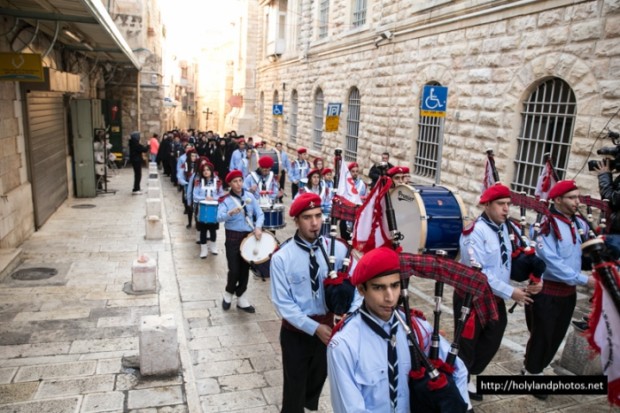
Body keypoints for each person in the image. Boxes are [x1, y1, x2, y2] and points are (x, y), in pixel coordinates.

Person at [327, 246, 470, 413]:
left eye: (394, 286)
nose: (389, 297)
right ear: (361, 289)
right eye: (378, 287)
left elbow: (459, 370)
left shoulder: (417, 328)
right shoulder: (344, 345)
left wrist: (457, 406)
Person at [270, 192, 361, 413]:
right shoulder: (282, 257)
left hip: (331, 330)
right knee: (294, 391)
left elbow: (358, 285)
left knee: (316, 383)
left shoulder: (338, 250)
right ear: (296, 221)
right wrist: (314, 328)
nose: (314, 223)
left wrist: (350, 314)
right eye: (307, 217)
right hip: (297, 333)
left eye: (318, 216)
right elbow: (283, 303)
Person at [456, 183, 532, 401]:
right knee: (467, 343)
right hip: (472, 296)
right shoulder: (474, 232)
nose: (506, 209)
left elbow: (507, 263)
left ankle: (469, 372)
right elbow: (480, 272)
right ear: (487, 204)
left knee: (492, 339)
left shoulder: (504, 228)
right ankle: (462, 382)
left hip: (494, 296)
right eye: (501, 204)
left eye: (508, 204)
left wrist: (530, 276)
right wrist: (511, 292)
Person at [522, 180, 596, 397]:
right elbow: (551, 261)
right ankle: (533, 374)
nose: (577, 202)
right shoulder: (547, 226)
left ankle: (534, 368)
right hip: (547, 291)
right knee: (542, 335)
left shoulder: (578, 223)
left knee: (556, 335)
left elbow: (586, 249)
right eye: (572, 198)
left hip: (568, 293)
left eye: (578, 197)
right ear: (557, 200)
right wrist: (582, 279)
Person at [217, 170, 264, 313]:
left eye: (240, 181)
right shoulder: (225, 200)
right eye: (235, 181)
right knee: (234, 269)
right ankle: (228, 293)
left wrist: (258, 227)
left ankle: (242, 297)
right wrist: (230, 213)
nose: (238, 184)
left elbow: (260, 214)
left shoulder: (250, 196)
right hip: (232, 237)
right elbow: (218, 218)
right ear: (230, 184)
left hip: (248, 237)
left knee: (245, 269)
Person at [191, 160, 224, 258]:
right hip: (201, 208)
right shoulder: (198, 182)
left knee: (213, 230)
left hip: (213, 209)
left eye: (208, 170)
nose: (206, 172)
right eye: (204, 170)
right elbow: (195, 195)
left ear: (211, 171)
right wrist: (204, 198)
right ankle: (203, 250)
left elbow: (221, 195)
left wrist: (214, 198)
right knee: (203, 230)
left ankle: (213, 247)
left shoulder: (217, 182)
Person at [339, 162, 367, 241]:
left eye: (356, 171)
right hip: (346, 215)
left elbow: (364, 200)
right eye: (353, 171)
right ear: (349, 172)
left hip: (356, 216)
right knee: (344, 240)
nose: (355, 173)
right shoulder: (344, 183)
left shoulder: (362, 185)